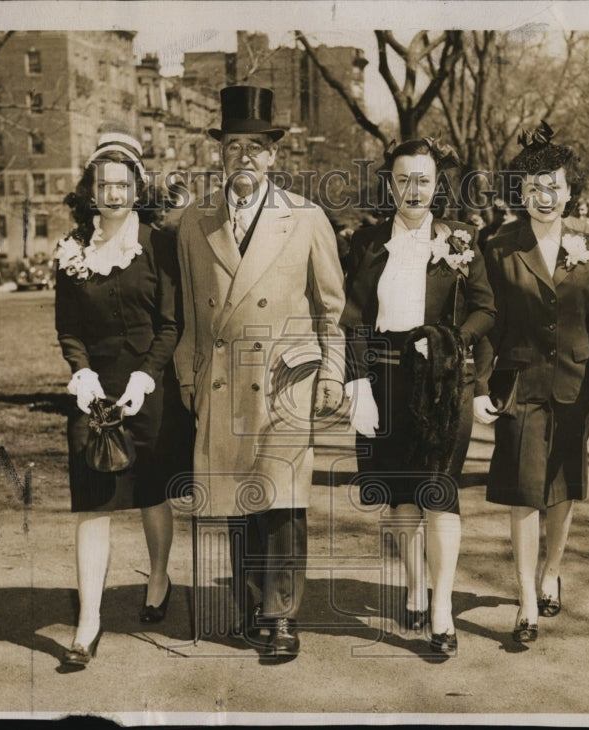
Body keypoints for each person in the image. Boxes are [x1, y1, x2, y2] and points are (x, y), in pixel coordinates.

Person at [173, 86, 346, 658]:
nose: (243, 157)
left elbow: (331, 308)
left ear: (274, 156)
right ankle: (251, 608)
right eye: (233, 145)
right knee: (235, 497)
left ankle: (282, 617)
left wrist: (332, 373)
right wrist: (188, 376)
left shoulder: (306, 217)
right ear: (219, 153)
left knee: (283, 501)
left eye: (256, 146)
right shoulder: (194, 222)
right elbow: (189, 312)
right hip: (221, 377)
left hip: (285, 379)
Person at [341, 137, 495, 655]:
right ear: (390, 182)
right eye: (403, 178)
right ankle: (413, 586)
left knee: (440, 492)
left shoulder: (464, 239)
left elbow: (485, 309)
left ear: (438, 184)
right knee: (402, 497)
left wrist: (454, 340)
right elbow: (354, 317)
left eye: (423, 180)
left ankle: (443, 610)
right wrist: (356, 381)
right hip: (384, 379)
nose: (413, 189)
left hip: (445, 382)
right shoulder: (367, 241)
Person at [474, 121, 589, 643]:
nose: (544, 196)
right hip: (518, 386)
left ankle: (552, 570)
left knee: (561, 489)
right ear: (521, 192)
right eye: (533, 187)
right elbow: (488, 320)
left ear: (569, 190)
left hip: (576, 385)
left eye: (553, 186)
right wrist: (479, 387)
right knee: (523, 493)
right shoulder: (498, 246)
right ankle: (526, 603)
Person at [54, 127, 187, 667]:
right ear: (90, 190)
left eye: (122, 183)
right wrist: (81, 374)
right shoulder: (71, 249)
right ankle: (89, 622)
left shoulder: (159, 243)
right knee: (92, 502)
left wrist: (145, 377)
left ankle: (157, 577)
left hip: (147, 386)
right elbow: (68, 327)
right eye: (102, 184)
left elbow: (171, 323)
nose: (112, 194)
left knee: (151, 493)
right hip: (93, 389)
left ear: (137, 186)